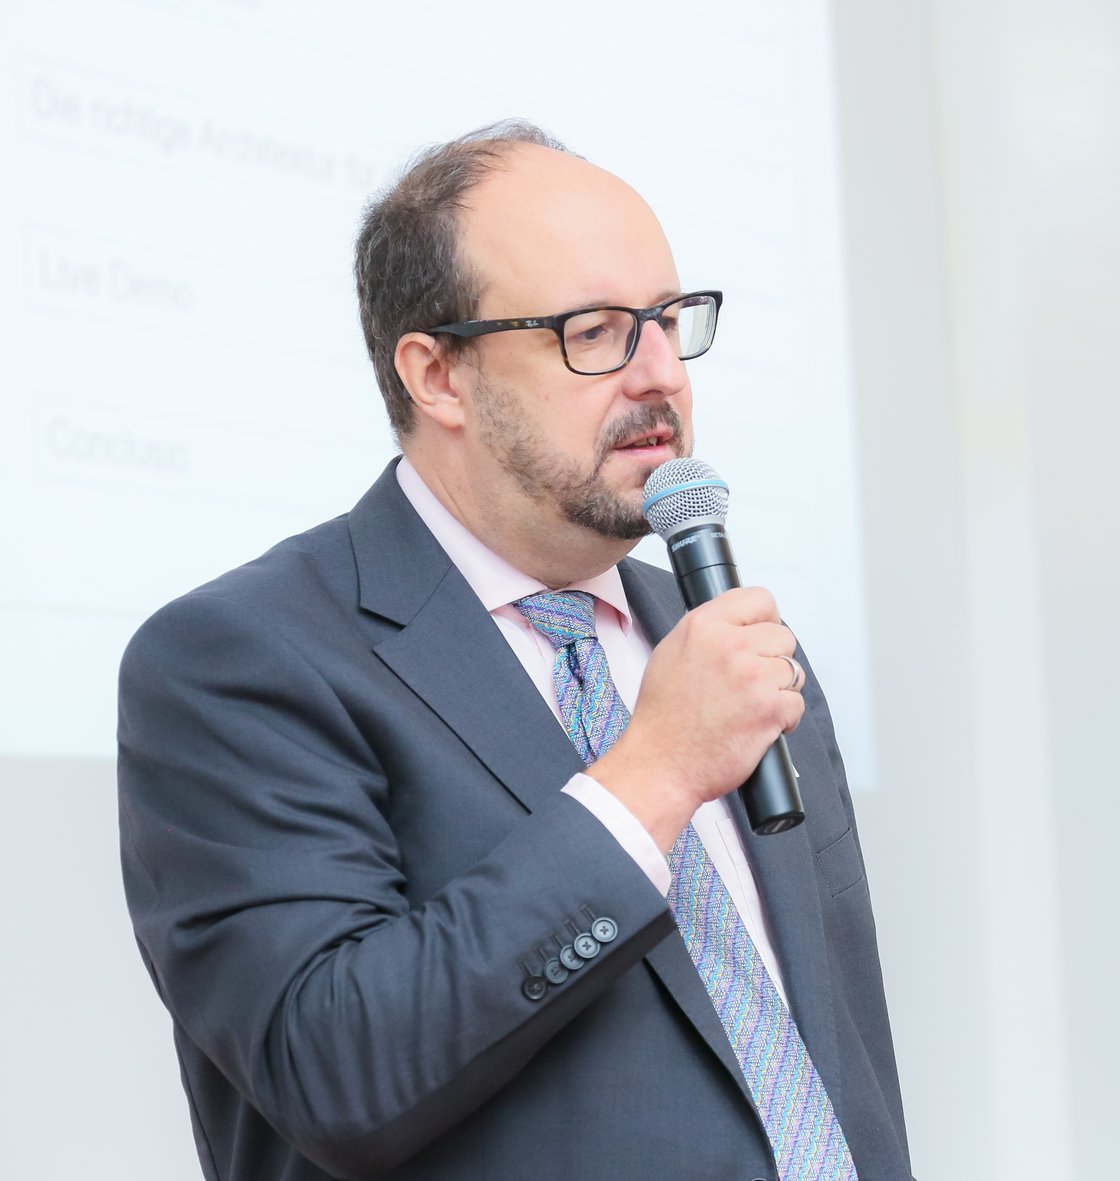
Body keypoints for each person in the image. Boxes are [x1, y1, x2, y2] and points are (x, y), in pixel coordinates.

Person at [117, 120, 913, 1181]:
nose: (661, 374)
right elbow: (332, 1070)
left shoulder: (723, 644)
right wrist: (654, 773)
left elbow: (841, 1058)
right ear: (437, 375)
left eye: (669, 320)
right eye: (595, 330)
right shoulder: (238, 661)